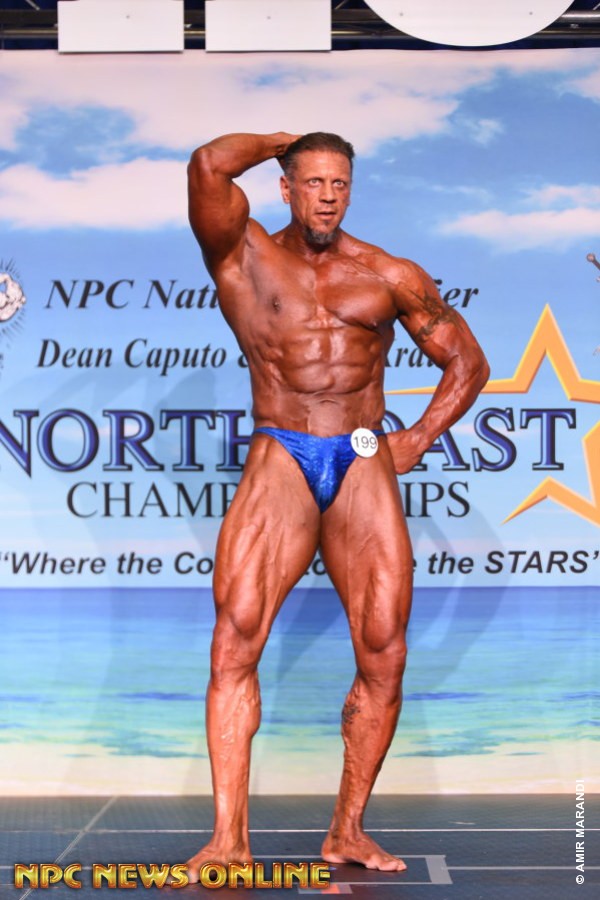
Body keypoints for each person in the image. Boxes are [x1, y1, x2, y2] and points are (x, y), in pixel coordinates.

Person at [184, 132, 489, 877]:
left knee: (384, 648)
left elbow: (468, 362)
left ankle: (348, 831)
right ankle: (228, 841)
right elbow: (208, 166)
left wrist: (418, 436)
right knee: (236, 639)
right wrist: (283, 141)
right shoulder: (244, 253)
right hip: (281, 449)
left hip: (360, 455)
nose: (328, 196)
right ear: (285, 186)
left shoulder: (387, 273)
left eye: (340, 183)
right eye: (314, 181)